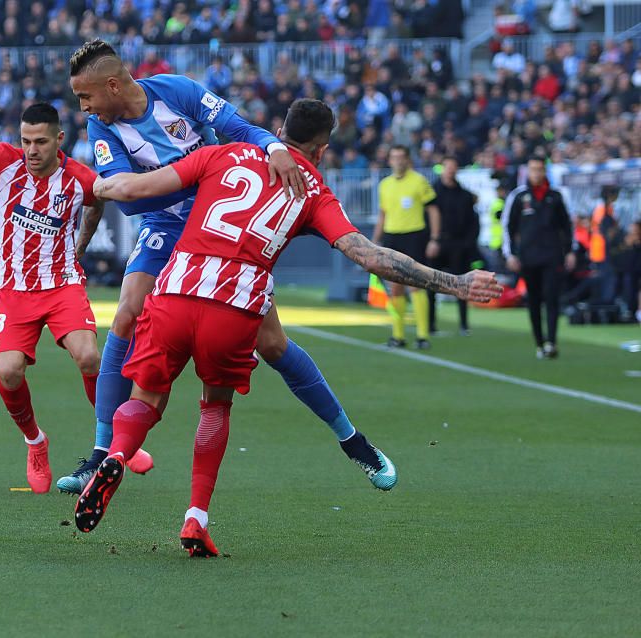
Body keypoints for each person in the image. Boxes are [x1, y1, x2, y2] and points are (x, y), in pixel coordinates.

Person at [72, 99, 502, 554]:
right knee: (215, 407)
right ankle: (195, 519)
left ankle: (115, 455)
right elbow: (370, 256)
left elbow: (140, 188)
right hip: (235, 305)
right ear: (321, 150)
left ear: (279, 129)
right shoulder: (313, 190)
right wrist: (453, 282)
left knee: (146, 398)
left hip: (177, 288)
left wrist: (93, 182)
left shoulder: (222, 153)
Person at [61, 39, 395, 496]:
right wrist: (195, 174)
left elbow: (238, 126)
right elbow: (127, 190)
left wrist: (274, 147)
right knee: (126, 311)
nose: (84, 109)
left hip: (217, 228)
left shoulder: (175, 91)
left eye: (86, 97)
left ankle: (353, 441)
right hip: (166, 223)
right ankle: (99, 457)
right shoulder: (102, 129)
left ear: (113, 85)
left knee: (274, 344)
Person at [0, 78, 108, 494]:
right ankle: (36, 442)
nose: (32, 150)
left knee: (88, 356)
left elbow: (98, 200)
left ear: (59, 140)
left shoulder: (79, 177)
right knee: (9, 373)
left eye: (42, 142)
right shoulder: (0, 161)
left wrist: (82, 243)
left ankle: (116, 440)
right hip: (13, 288)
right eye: (27, 141)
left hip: (62, 281)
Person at [502, 156, 575, 359]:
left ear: (545, 171)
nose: (536, 174)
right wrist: (510, 254)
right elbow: (508, 227)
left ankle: (552, 341)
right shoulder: (518, 197)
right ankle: (539, 342)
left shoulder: (556, 196)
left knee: (552, 298)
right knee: (533, 299)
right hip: (528, 257)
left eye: (540, 169)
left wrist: (570, 251)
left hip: (552, 255)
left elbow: (567, 226)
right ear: (527, 171)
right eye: (533, 169)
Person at [373, 145, 442, 349]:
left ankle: (422, 335)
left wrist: (435, 238)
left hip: (414, 236)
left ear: (408, 160)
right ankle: (398, 334)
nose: (398, 161)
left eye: (401, 157)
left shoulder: (419, 181)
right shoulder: (385, 185)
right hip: (392, 237)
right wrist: (375, 240)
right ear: (390, 160)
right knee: (395, 287)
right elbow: (383, 214)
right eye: (394, 157)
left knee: (416, 285)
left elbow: (433, 210)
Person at [429, 157, 480, 335]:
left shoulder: (465, 195)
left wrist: (468, 243)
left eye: (453, 167)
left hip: (459, 245)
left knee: (462, 285)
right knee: (431, 284)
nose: (450, 170)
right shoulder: (431, 193)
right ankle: (430, 324)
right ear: (442, 169)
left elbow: (473, 221)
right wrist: (430, 240)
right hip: (438, 243)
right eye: (447, 167)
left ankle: (464, 324)